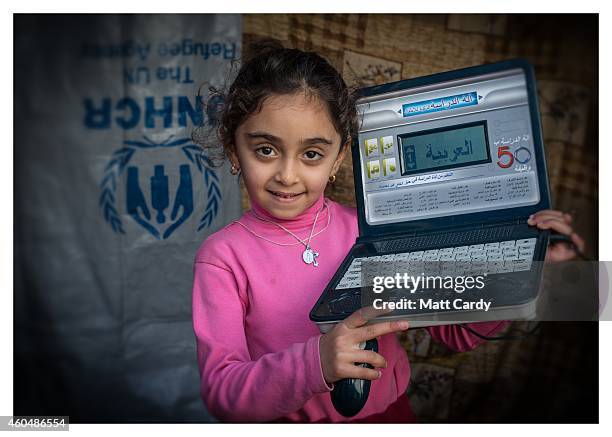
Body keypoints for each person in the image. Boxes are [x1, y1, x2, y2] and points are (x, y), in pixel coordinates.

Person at [191, 41, 585, 423]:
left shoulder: (373, 237)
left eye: (312, 154)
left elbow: (457, 333)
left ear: (338, 158)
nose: (288, 175)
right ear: (232, 149)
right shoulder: (223, 257)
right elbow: (223, 392)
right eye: (265, 150)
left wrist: (527, 265)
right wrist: (315, 363)